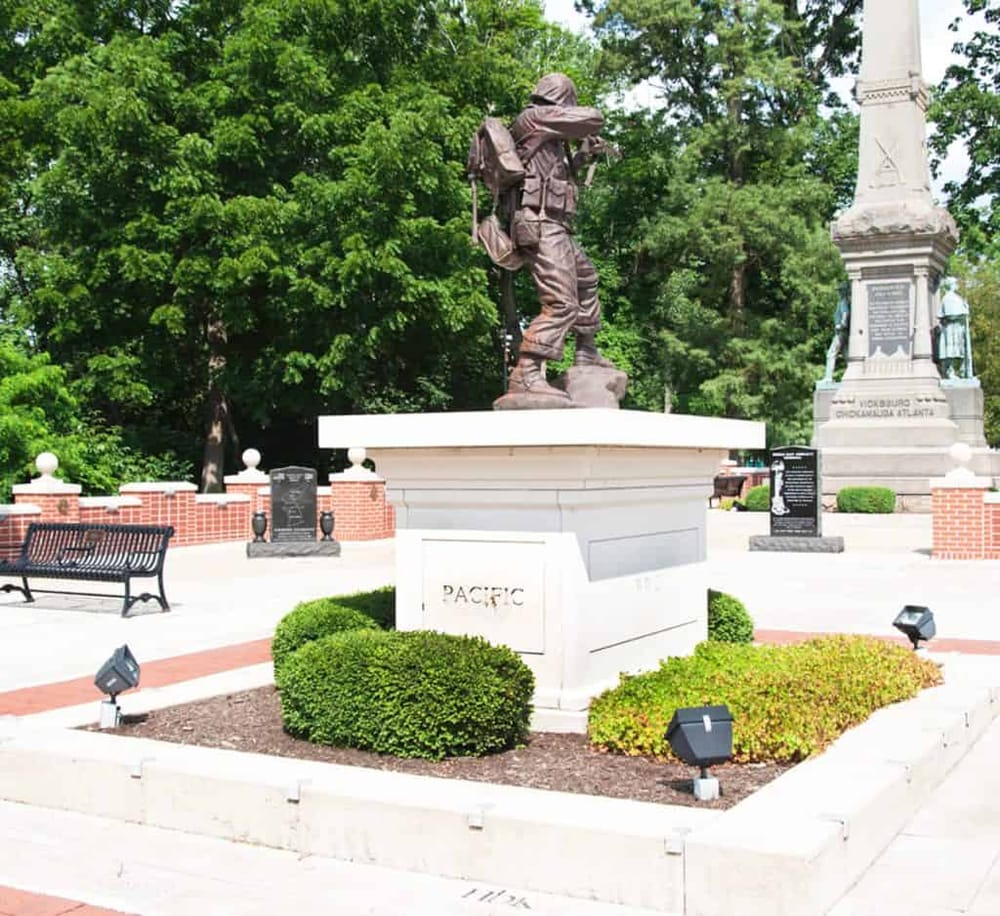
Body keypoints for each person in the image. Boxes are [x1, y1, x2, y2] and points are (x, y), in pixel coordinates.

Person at [505, 73, 618, 401]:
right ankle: (525, 372)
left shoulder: (548, 134)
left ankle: (586, 351)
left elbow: (553, 176)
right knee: (561, 301)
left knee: (586, 279)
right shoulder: (535, 117)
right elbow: (593, 117)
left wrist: (582, 155)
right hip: (541, 226)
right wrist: (587, 126)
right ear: (561, 99)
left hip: (555, 225)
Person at [936, 278, 973, 380]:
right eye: (956, 283)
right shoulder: (948, 298)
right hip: (951, 328)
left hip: (957, 327)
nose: (957, 285)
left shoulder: (956, 297)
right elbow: (950, 315)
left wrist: (965, 309)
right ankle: (949, 372)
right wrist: (964, 313)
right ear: (951, 284)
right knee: (950, 351)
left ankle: (961, 372)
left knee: (958, 351)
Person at [822, 282, 851, 382]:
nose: (839, 292)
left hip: (840, 333)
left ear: (844, 291)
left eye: (840, 290)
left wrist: (842, 325)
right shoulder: (846, 301)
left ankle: (828, 378)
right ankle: (852, 374)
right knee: (847, 355)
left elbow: (845, 313)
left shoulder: (843, 302)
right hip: (844, 333)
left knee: (831, 353)